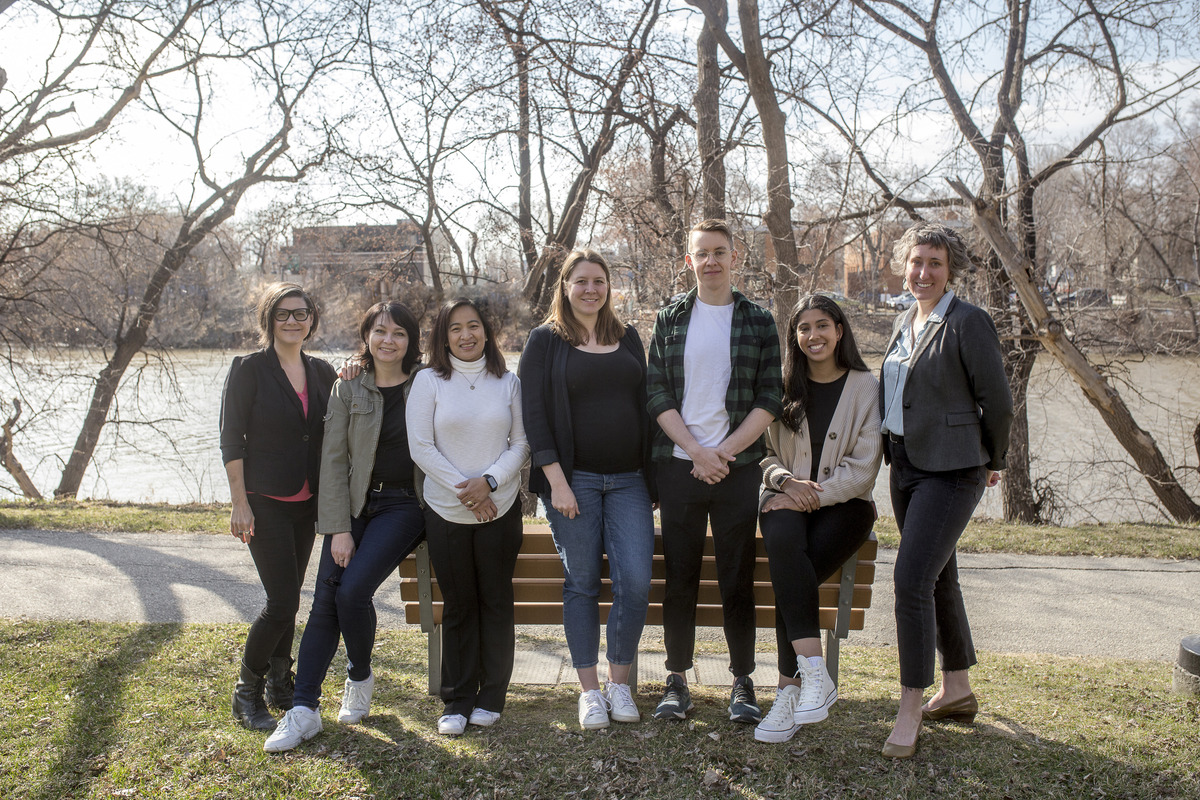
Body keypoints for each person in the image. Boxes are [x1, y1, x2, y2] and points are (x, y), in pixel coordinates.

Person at [263, 301, 427, 752]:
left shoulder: (428, 383)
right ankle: (303, 710)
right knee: (325, 600)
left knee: (353, 592)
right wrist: (338, 528)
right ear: (366, 337)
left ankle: (359, 676)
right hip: (356, 503)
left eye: (398, 332)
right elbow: (333, 462)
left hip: (406, 505)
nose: (388, 340)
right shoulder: (348, 387)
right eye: (379, 331)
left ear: (411, 341)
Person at [878, 222, 1012, 759]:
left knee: (909, 579)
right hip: (905, 465)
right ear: (903, 265)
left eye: (934, 263)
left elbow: (997, 402)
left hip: (954, 470)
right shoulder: (901, 321)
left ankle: (909, 708)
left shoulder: (968, 322)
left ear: (950, 268)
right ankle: (956, 689)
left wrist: (993, 460)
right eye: (916, 262)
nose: (923, 272)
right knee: (938, 579)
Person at [646, 219, 783, 724]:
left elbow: (771, 396)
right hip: (679, 468)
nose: (711, 261)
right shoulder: (669, 319)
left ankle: (742, 682)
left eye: (719, 252)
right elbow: (656, 393)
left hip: (738, 468)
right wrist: (695, 452)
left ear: (734, 257)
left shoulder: (759, 320)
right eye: (701, 253)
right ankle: (676, 680)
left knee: (736, 577)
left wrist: (722, 453)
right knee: (679, 577)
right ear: (689, 261)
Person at [518, 249, 656, 731]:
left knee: (635, 581)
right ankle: (590, 692)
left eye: (599, 281)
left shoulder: (628, 337)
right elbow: (533, 414)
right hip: (571, 482)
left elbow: (645, 405)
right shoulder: (544, 341)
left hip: (629, 481)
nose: (591, 289)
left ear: (609, 287)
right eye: (582, 281)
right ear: (565, 286)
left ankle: (621, 684)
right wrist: (555, 481)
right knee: (581, 582)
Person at [752, 295, 882, 743]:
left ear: (840, 330)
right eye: (803, 329)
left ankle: (790, 693)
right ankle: (813, 675)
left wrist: (812, 495)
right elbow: (762, 454)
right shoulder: (783, 385)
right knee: (788, 551)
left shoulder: (866, 386)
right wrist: (788, 483)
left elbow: (865, 467)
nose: (814, 336)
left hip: (846, 509)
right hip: (783, 497)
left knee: (793, 577)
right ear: (795, 337)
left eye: (822, 325)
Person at [407, 297, 530, 736]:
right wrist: (469, 491)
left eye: (473, 325)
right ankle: (457, 699)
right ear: (443, 337)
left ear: (486, 332)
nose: (465, 335)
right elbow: (421, 447)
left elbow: (521, 444)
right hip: (446, 510)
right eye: (455, 328)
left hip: (501, 508)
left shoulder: (508, 382)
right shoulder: (429, 382)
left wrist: (490, 483)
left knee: (496, 601)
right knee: (458, 606)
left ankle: (493, 693)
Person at [219, 282, 337, 731]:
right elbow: (232, 439)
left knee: (288, 598)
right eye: (283, 314)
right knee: (282, 600)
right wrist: (239, 503)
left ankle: (280, 683)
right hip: (264, 502)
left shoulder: (323, 372)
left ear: (312, 319)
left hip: (306, 504)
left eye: (301, 313)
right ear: (269, 319)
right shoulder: (249, 369)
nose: (293, 321)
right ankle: (246, 691)